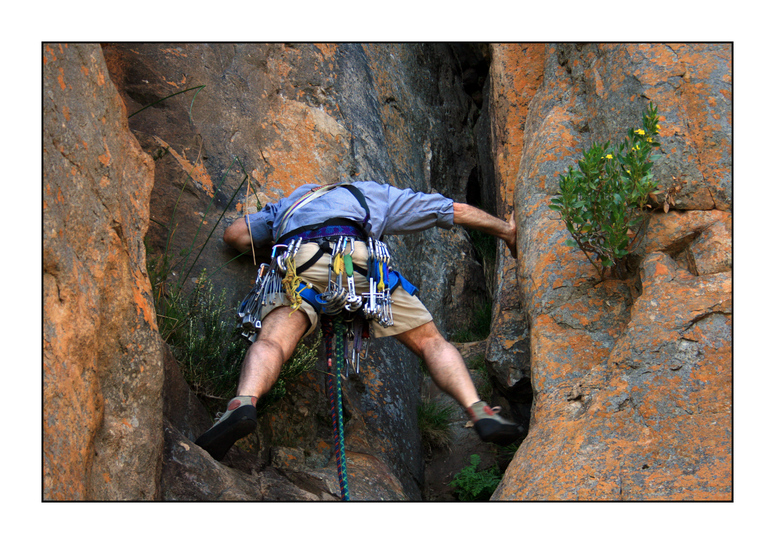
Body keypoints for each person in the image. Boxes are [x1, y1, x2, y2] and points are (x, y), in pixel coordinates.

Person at [195, 181, 520, 461]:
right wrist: (506, 231)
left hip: (299, 261)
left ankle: (243, 401)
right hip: (360, 263)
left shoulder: (291, 202)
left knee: (272, 343)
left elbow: (235, 235)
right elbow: (454, 211)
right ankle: (477, 408)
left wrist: (281, 243)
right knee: (431, 342)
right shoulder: (374, 194)